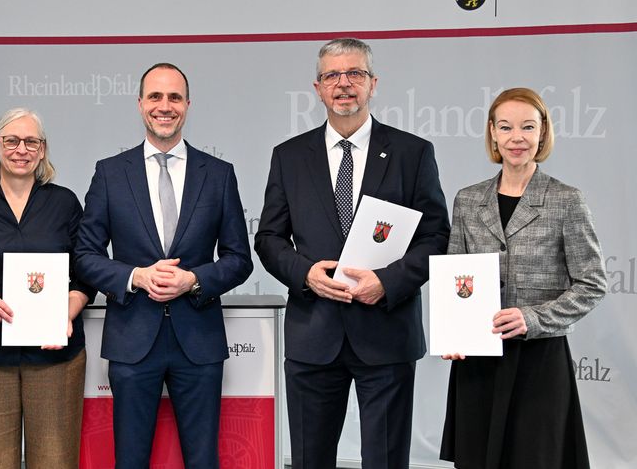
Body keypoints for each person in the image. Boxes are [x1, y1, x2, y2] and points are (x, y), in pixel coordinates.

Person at [254, 38, 450, 469]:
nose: (344, 84)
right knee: (309, 460)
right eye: (332, 76)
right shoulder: (288, 157)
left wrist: (388, 282)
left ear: (373, 83)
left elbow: (435, 235)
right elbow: (268, 238)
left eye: (355, 74)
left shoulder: (412, 153)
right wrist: (305, 274)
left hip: (386, 332)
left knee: (385, 461)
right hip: (313, 336)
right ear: (318, 87)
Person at [75, 63, 253, 468]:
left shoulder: (219, 175)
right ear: (140, 104)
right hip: (132, 341)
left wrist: (194, 279)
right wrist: (135, 276)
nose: (165, 106)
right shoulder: (110, 173)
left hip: (199, 342)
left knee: (203, 460)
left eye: (174, 97)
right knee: (131, 460)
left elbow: (239, 259)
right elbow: (84, 255)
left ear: (187, 105)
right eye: (155, 96)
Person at [439, 87, 606, 469]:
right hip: (478, 361)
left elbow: (592, 282)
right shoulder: (468, 199)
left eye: (528, 127)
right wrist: (453, 330)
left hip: (539, 361)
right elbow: (455, 274)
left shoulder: (567, 199)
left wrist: (531, 319)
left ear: (543, 133)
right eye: (507, 127)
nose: (517, 138)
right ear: (493, 134)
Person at [0, 108, 94, 469]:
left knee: (56, 462)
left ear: (42, 151)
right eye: (11, 140)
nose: (21, 149)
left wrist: (67, 311)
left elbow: (85, 274)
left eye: (31, 142)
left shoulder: (65, 204)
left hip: (55, 357)